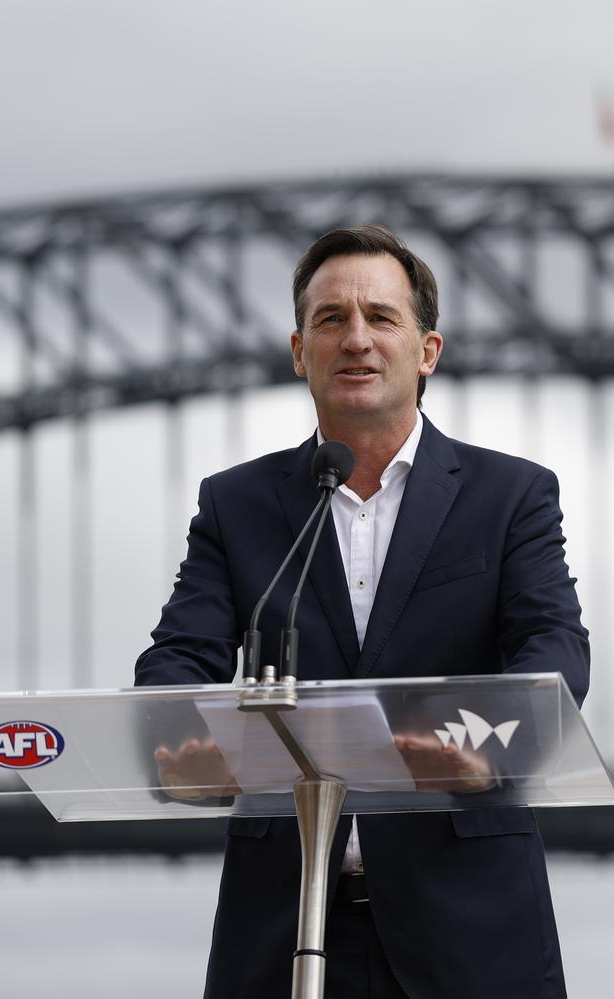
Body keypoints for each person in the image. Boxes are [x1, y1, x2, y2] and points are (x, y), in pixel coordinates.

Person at [135, 224, 589, 999]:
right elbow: (178, 658)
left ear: (427, 351)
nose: (356, 339)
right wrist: (187, 736)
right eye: (330, 319)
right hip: (283, 932)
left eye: (381, 317)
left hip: (471, 932)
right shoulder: (236, 504)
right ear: (298, 350)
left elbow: (553, 649)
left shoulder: (510, 495)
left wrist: (478, 739)